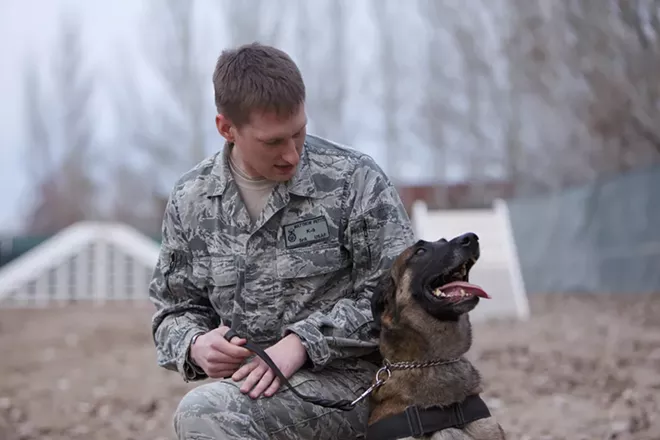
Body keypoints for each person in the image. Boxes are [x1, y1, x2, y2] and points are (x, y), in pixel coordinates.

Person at [148, 42, 415, 440]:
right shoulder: (192, 200)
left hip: (359, 387)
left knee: (204, 414)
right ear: (227, 128)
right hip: (255, 391)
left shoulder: (353, 180)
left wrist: (302, 344)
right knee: (214, 411)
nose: (291, 154)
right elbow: (173, 308)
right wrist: (195, 343)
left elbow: (401, 297)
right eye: (273, 142)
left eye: (299, 132)